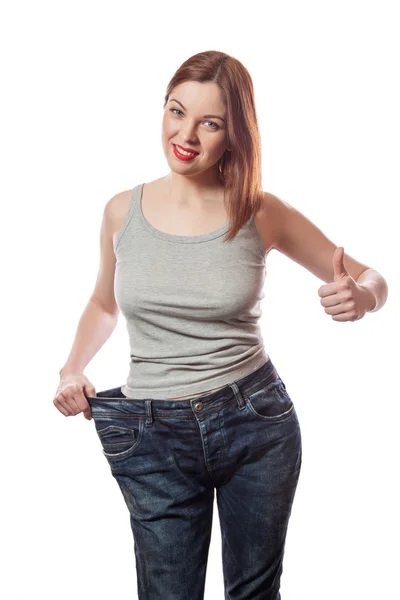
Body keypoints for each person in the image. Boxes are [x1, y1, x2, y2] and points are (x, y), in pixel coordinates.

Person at [53, 50, 388, 600]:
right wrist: (71, 369)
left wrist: (364, 299)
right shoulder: (121, 211)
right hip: (151, 433)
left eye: (210, 123)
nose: (186, 134)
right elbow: (104, 303)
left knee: (255, 594)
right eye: (176, 111)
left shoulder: (259, 210)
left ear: (235, 133)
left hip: (254, 421)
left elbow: (371, 275)